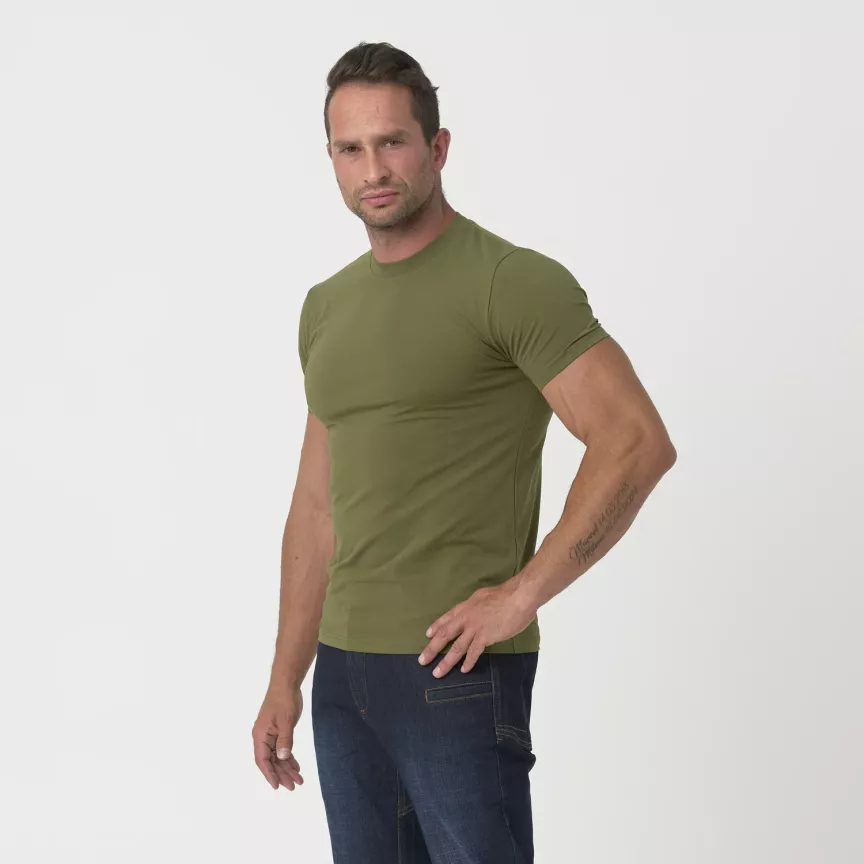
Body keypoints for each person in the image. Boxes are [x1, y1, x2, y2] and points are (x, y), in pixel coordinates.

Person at [252, 41, 677, 863]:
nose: (373, 168)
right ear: (331, 160)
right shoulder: (326, 308)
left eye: (392, 142)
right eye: (350, 148)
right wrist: (285, 677)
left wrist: (521, 596)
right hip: (343, 678)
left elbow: (635, 441)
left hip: (456, 672)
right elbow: (315, 506)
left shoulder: (510, 282)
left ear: (437, 147)